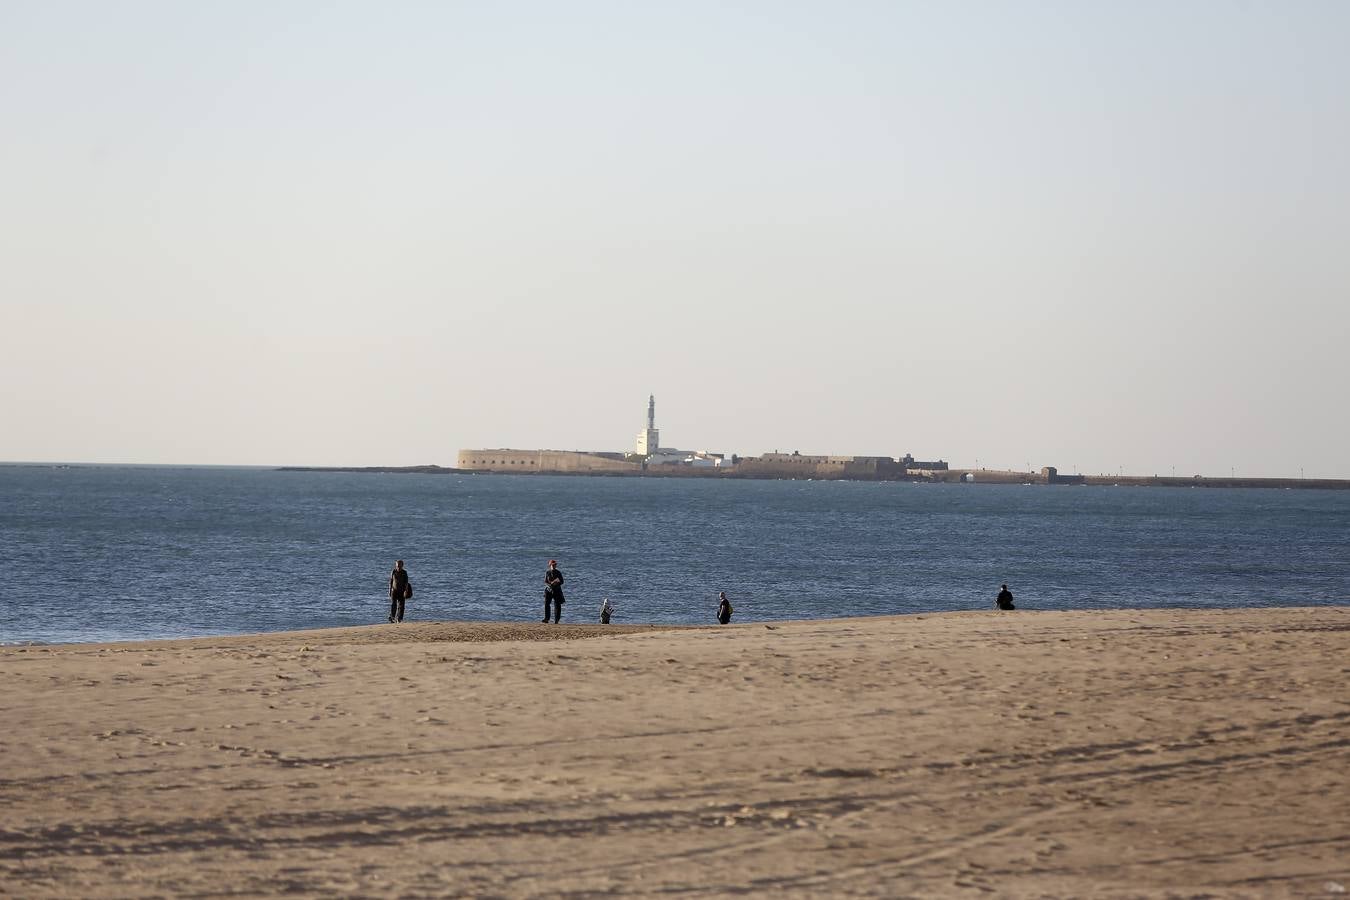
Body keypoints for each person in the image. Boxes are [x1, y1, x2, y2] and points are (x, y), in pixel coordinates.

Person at [543, 559, 565, 624]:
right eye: (553, 565)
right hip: (548, 590)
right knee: (547, 604)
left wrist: (556, 583)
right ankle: (546, 618)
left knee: (557, 605)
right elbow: (545, 581)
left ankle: (556, 620)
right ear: (550, 565)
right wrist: (550, 584)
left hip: (557, 590)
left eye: (555, 565)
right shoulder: (547, 572)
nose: (554, 566)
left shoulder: (558, 572)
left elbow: (562, 581)